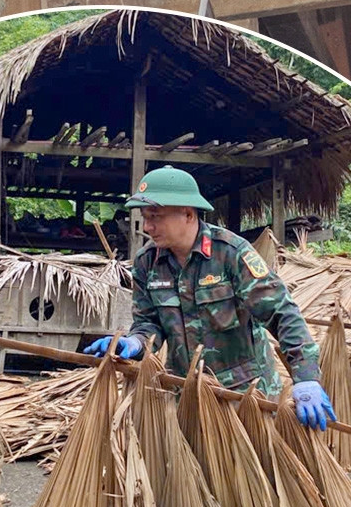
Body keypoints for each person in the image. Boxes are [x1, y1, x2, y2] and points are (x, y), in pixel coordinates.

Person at [84, 165, 335, 430]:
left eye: (155, 216)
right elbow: (149, 323)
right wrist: (134, 343)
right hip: (187, 394)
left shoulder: (231, 254)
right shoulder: (148, 262)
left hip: (245, 398)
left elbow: (282, 313)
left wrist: (306, 377)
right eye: (145, 217)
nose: (147, 226)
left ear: (188, 214)